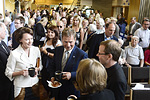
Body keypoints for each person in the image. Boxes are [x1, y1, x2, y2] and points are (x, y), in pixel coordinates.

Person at [49, 28, 88, 100]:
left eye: (70, 42)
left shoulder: (82, 54)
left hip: (72, 90)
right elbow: (52, 66)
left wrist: (72, 75)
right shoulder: (58, 50)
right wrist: (52, 77)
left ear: (75, 39)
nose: (68, 45)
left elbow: (85, 73)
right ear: (61, 39)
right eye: (65, 42)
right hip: (58, 90)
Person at [5, 27, 43, 100]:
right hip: (21, 87)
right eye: (27, 39)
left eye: (31, 38)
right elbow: (8, 73)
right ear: (20, 40)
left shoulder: (36, 50)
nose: (30, 42)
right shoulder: (14, 54)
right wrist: (20, 73)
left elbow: (40, 65)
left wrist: (37, 69)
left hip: (35, 84)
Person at [40, 25, 62, 92]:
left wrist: (47, 53)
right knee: (44, 79)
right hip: (44, 63)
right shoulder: (46, 40)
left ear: (55, 33)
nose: (49, 34)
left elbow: (57, 56)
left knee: (51, 80)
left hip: (52, 64)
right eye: (48, 32)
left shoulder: (58, 43)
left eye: (52, 32)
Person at [0, 22, 14, 100]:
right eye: (4, 30)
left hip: (9, 79)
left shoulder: (3, 43)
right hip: (2, 82)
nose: (6, 32)